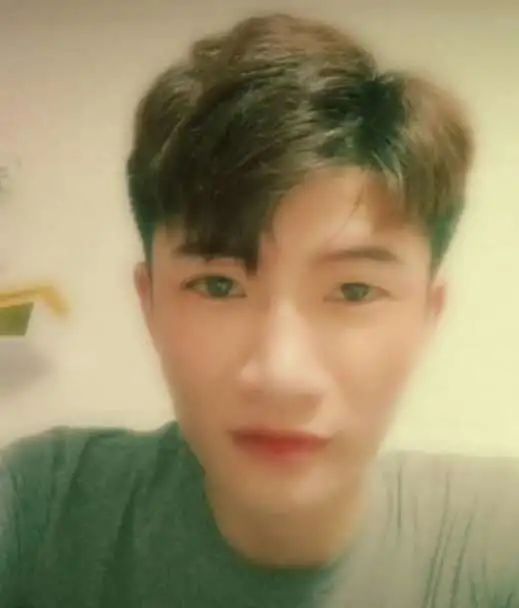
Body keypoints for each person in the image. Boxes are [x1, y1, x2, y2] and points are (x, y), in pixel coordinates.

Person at [1, 12, 517, 608]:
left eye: (354, 291)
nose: (280, 375)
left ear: (428, 315)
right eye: (218, 286)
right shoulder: (41, 513)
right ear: (150, 304)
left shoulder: (496, 547)